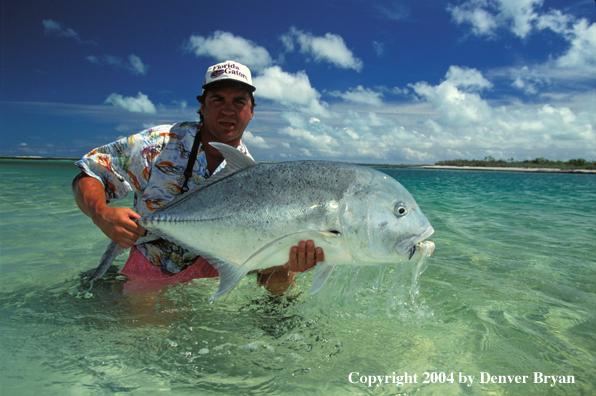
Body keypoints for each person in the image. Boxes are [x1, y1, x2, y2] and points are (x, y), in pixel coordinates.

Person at [72, 60, 323, 295]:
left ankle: (277, 327)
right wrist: (101, 214)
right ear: (202, 106)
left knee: (282, 272)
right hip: (156, 258)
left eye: (239, 101)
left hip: (213, 261)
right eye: (217, 99)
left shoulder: (249, 172)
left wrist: (287, 256)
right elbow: (90, 173)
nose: (228, 109)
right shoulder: (159, 144)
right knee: (145, 335)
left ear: (251, 111)